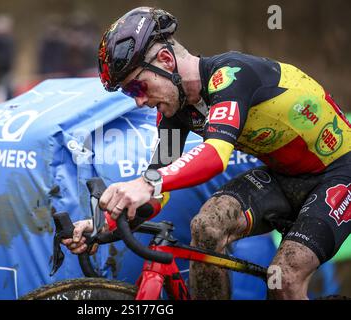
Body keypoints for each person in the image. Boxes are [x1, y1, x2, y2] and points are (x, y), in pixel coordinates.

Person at [61, 7, 351, 300]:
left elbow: (214, 156)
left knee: (285, 277)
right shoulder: (175, 112)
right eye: (128, 93)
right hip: (283, 176)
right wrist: (100, 225)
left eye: (138, 85)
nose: (138, 101)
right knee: (206, 227)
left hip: (339, 173)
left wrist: (147, 183)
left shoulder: (231, 76)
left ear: (165, 60)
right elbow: (156, 190)